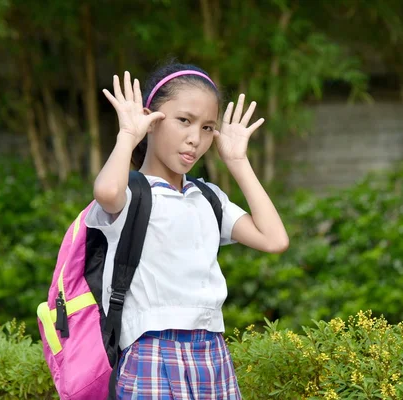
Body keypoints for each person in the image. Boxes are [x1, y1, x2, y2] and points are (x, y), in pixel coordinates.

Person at [88, 62, 289, 399]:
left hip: (212, 352)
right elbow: (106, 193)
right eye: (184, 120)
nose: (196, 138)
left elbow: (274, 239)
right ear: (151, 118)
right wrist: (127, 135)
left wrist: (238, 161)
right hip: (150, 352)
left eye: (208, 127)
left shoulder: (207, 197)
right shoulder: (132, 192)